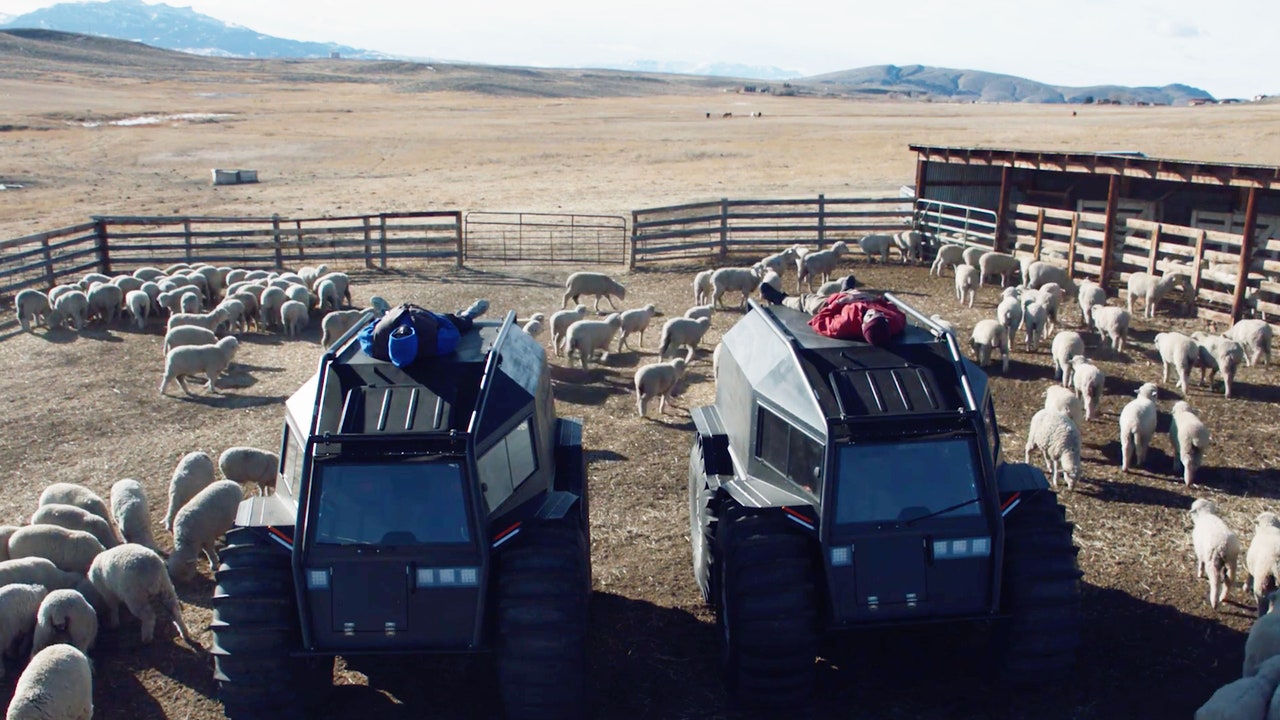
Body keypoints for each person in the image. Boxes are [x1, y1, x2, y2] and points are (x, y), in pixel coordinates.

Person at [760, 279, 905, 346]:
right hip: (860, 296)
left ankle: (780, 298)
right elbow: (894, 309)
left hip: (836, 304)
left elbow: (818, 322)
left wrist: (839, 303)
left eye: (870, 316)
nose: (874, 311)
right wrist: (876, 299)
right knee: (855, 293)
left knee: (807, 302)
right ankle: (847, 289)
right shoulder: (893, 322)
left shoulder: (844, 324)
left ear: (863, 325)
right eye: (879, 315)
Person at [360, 298, 490, 366]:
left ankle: (386, 311)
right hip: (424, 318)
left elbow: (365, 332)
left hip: (394, 315)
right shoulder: (434, 343)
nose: (402, 330)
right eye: (407, 334)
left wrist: (384, 320)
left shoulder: (375, 346)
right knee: (458, 322)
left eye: (397, 335)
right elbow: (453, 332)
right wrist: (436, 318)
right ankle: (468, 314)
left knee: (386, 318)